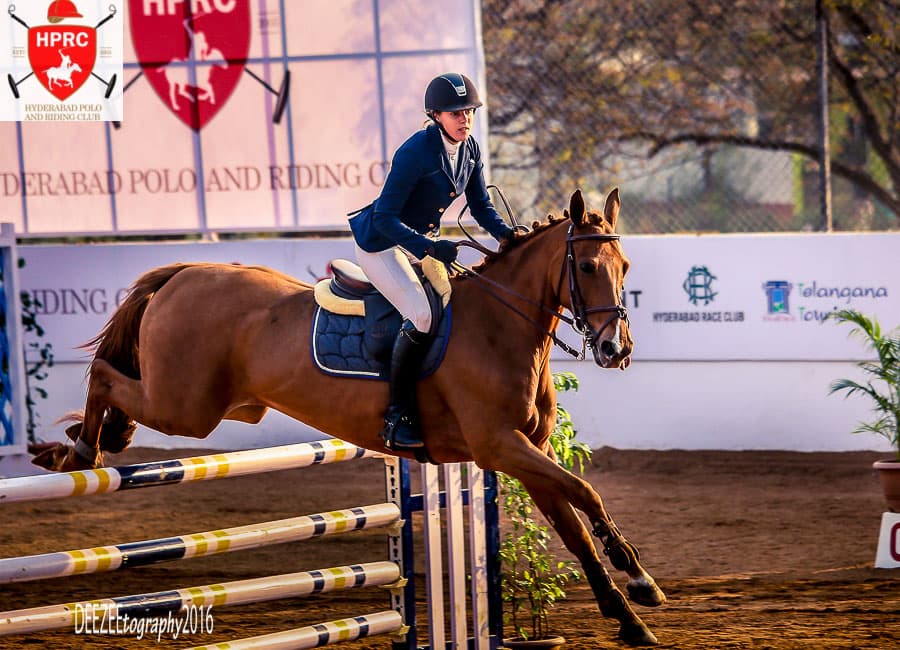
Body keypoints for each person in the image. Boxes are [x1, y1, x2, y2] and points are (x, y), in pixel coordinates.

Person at [348, 72, 515, 451]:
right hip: (381, 245)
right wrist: (429, 247)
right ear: (436, 115)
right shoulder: (415, 153)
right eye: (456, 113)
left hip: (419, 243)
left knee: (461, 305)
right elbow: (384, 218)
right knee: (422, 316)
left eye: (468, 112)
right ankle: (398, 414)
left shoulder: (469, 149)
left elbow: (481, 207)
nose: (465, 120)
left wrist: (508, 235)